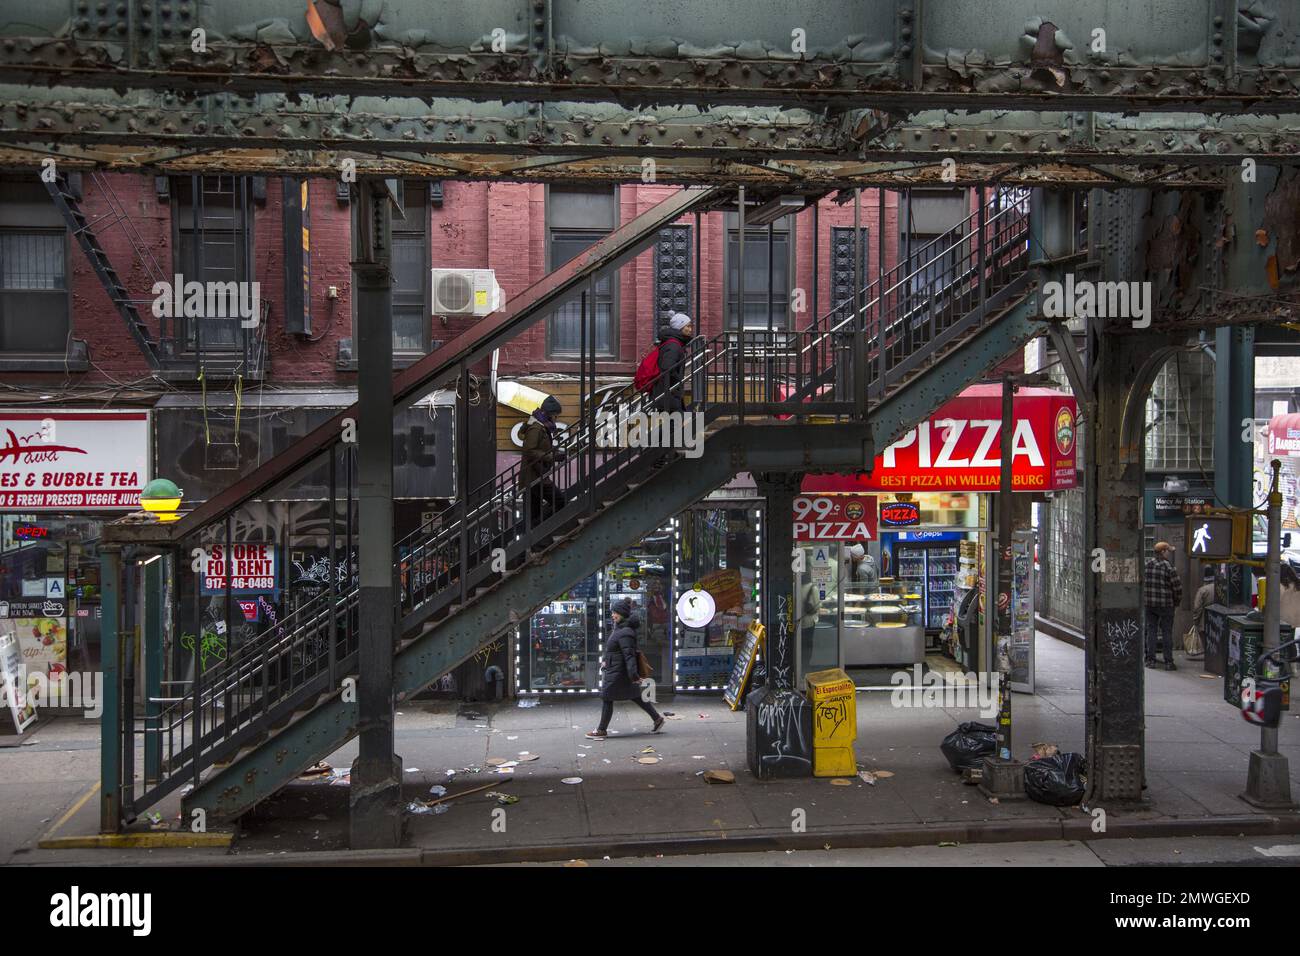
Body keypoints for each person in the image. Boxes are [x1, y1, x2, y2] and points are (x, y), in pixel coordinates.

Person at [587, 597, 664, 738]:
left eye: (615, 612)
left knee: (607, 698)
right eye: (612, 612)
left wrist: (634, 675)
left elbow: (629, 655)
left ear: (622, 613)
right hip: (616, 669)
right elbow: (615, 650)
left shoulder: (625, 632)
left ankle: (601, 730)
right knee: (635, 696)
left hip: (618, 672)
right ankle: (657, 718)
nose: (613, 615)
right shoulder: (621, 629)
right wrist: (606, 660)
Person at [521, 395, 566, 525]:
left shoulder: (542, 427)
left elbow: (539, 449)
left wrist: (555, 454)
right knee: (559, 501)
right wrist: (553, 456)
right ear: (549, 414)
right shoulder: (536, 428)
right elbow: (530, 450)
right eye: (555, 415)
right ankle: (538, 530)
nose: (556, 418)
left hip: (536, 475)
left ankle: (535, 539)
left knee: (534, 512)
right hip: (535, 476)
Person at [1144, 541, 1183, 670]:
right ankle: (1168, 662)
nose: (1169, 554)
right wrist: (1176, 602)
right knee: (1167, 632)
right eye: (1168, 551)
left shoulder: (1147, 565)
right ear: (1163, 552)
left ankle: (1150, 660)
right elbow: (1177, 588)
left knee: (1151, 631)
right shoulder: (1169, 567)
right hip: (1166, 605)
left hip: (1150, 604)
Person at [655, 312, 693, 413]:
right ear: (680, 327)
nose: (690, 330)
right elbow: (667, 367)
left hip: (670, 392)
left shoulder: (674, 343)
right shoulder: (674, 346)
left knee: (674, 425)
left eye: (691, 326)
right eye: (688, 326)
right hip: (669, 393)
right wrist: (678, 381)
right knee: (674, 425)